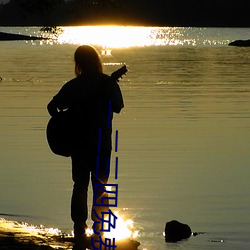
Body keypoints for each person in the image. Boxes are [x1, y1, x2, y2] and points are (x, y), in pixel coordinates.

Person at [47, 45, 124, 244]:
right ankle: (99, 230)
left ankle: (79, 229)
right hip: (101, 144)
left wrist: (63, 122)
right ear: (97, 61)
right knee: (100, 186)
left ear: (79, 63)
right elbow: (118, 108)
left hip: (78, 143)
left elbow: (51, 106)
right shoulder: (108, 83)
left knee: (79, 185)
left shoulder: (74, 85)